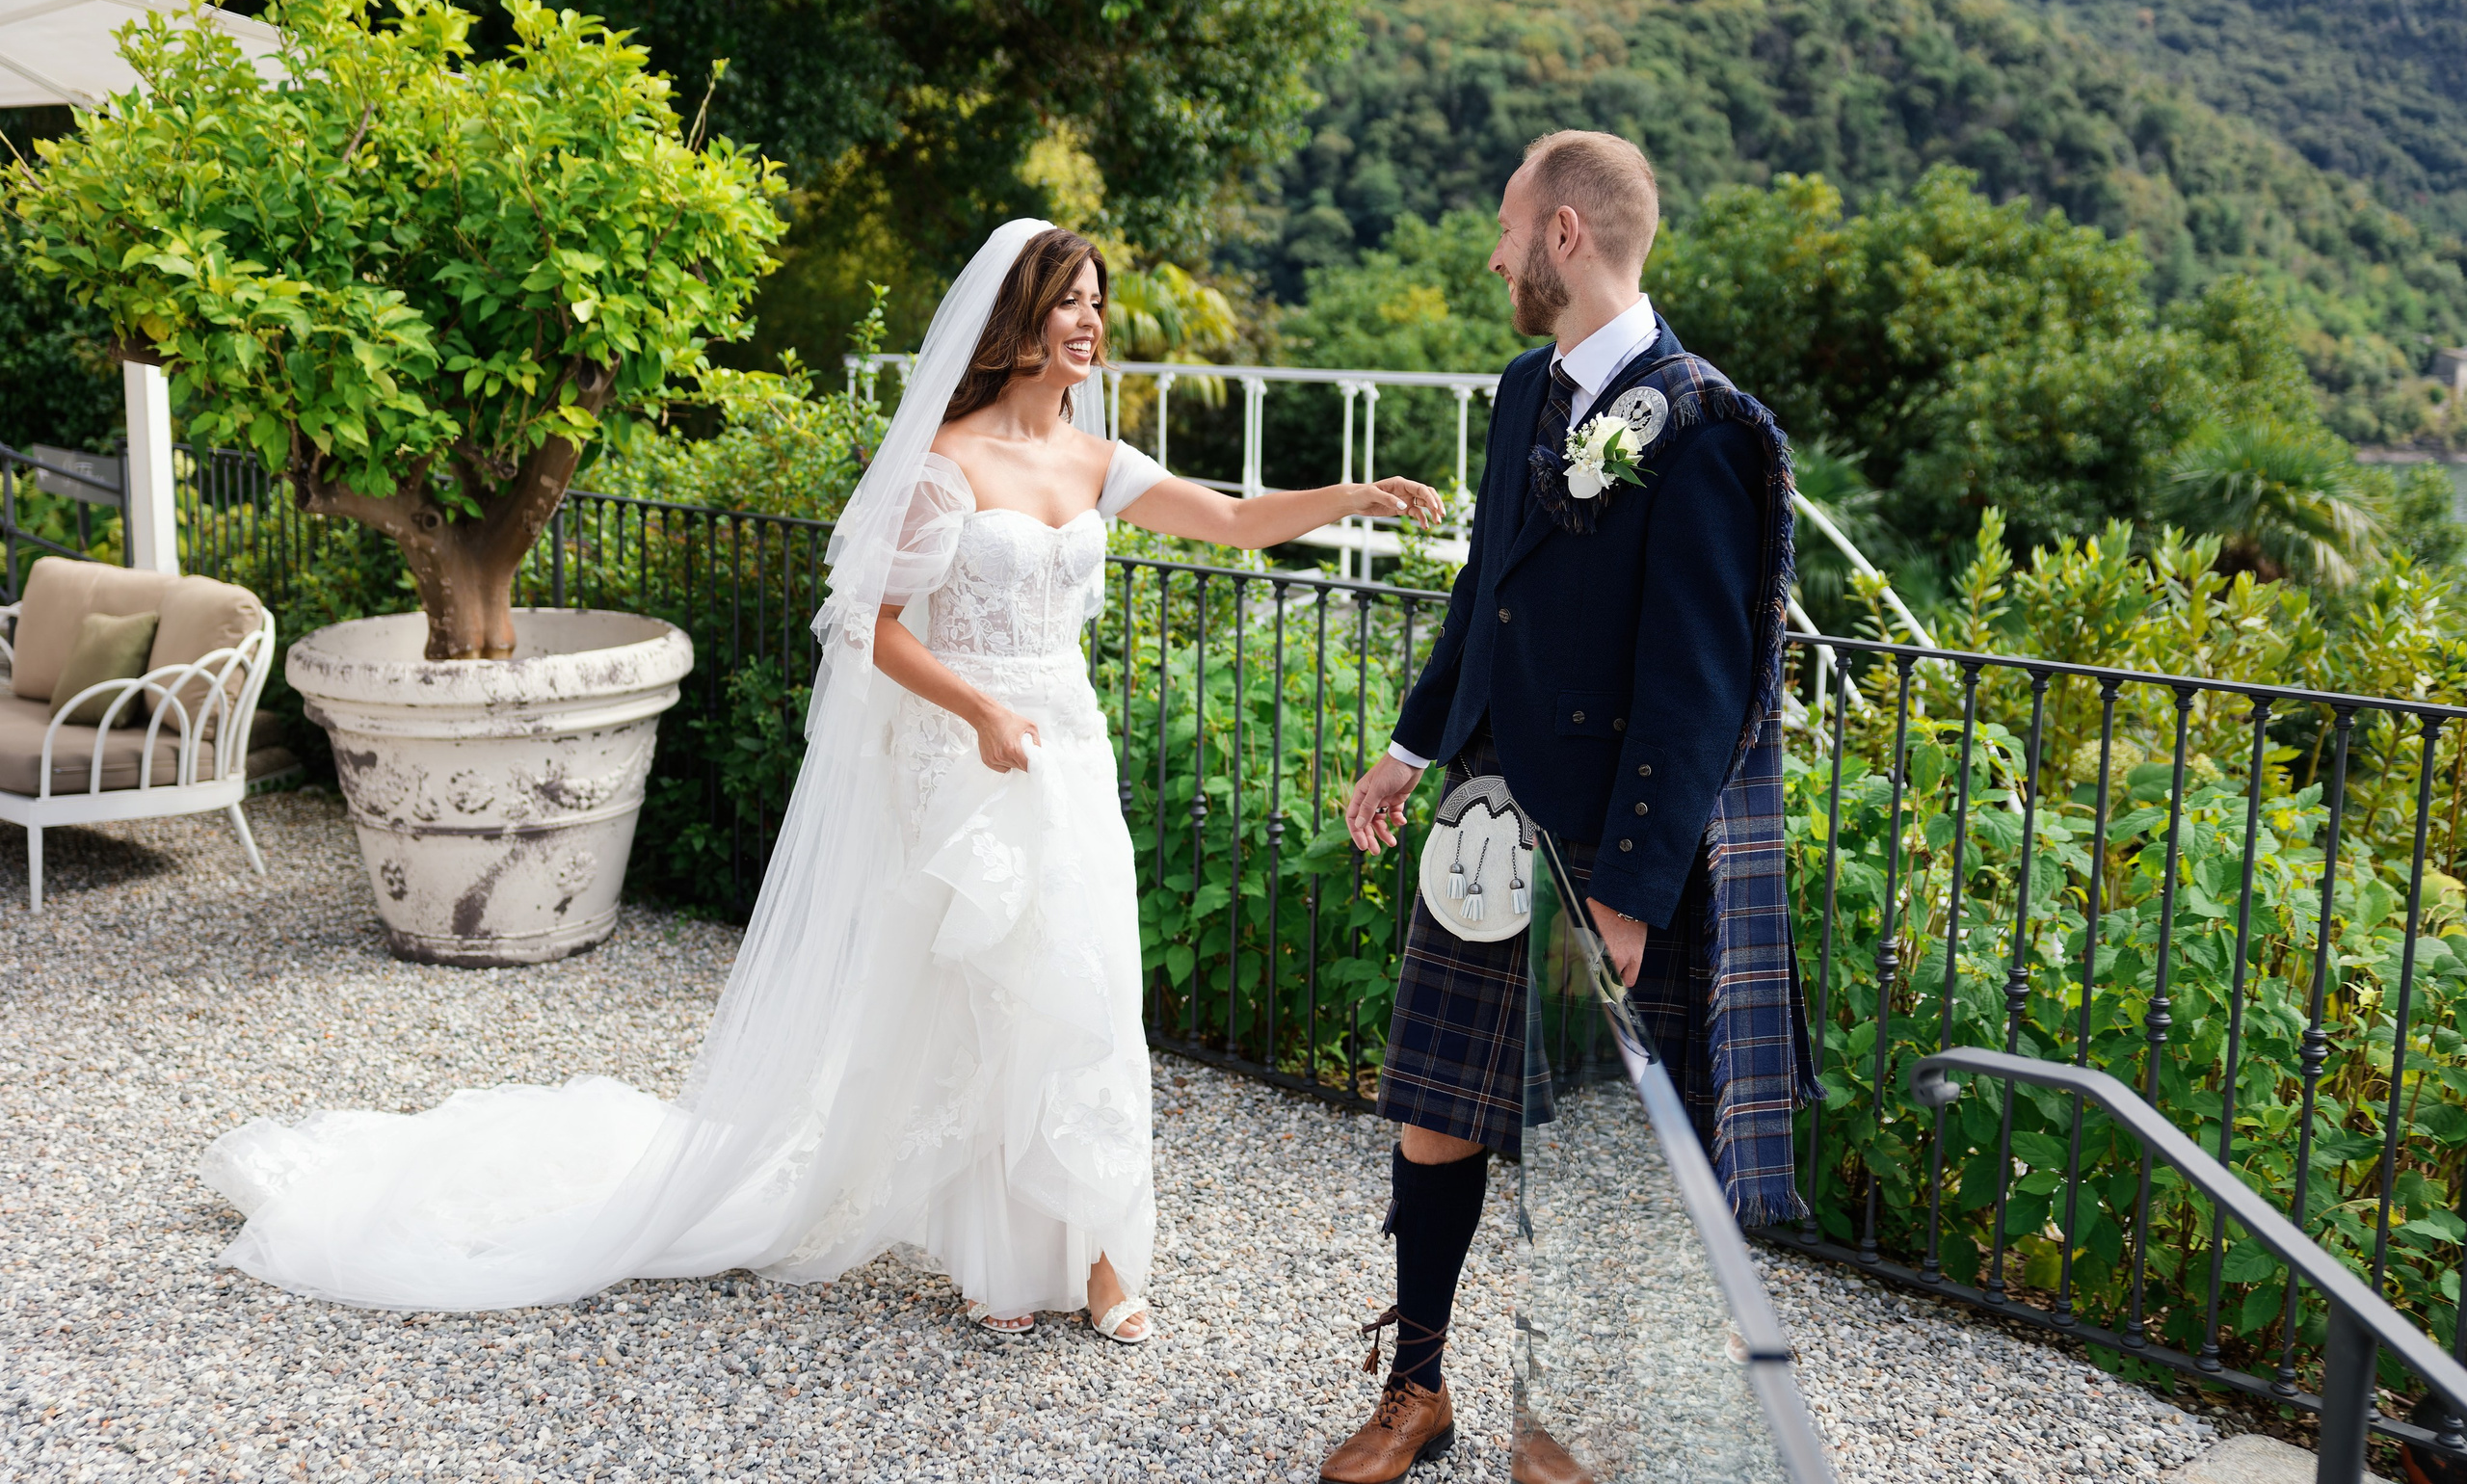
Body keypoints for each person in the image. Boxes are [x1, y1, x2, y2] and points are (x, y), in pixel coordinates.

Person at [200, 221, 1443, 1344]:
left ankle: (1107, 1249)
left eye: (1098, 304)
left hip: (1068, 745)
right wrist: (982, 713)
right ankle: (1000, 1250)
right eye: (1067, 301)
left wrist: (1357, 496)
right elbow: (877, 630)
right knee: (990, 996)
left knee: (1090, 985)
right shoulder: (945, 463)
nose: (1088, 323)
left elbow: (1227, 521)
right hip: (967, 752)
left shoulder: (1096, 458)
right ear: (1015, 320)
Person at [1318, 132, 1816, 1484]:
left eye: (1505, 224)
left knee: (1594, 1157)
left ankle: (1568, 1432)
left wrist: (1636, 891)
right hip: (1488, 818)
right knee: (1437, 1113)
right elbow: (1490, 589)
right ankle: (1417, 1389)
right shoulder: (1525, 385)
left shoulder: (1703, 426)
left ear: (1565, 235)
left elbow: (1700, 683)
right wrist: (1410, 747)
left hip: (1604, 842)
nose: (1491, 251)